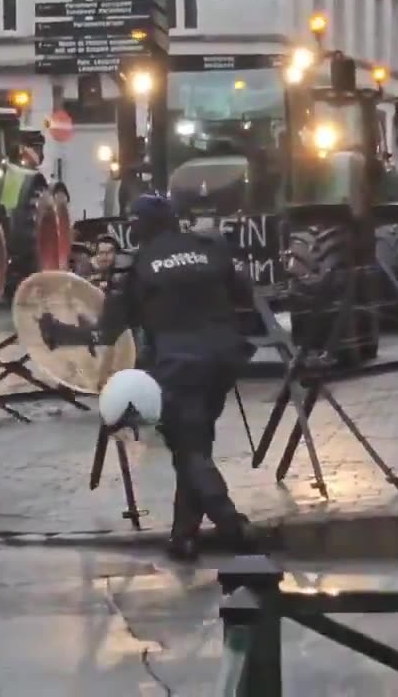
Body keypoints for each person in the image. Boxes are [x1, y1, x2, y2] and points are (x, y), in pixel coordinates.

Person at [99, 194, 257, 562]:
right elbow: (243, 292)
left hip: (178, 367)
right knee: (197, 445)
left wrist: (60, 331)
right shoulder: (208, 247)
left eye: (133, 222)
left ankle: (233, 525)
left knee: (188, 451)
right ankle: (182, 536)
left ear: (144, 226)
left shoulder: (140, 267)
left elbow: (109, 330)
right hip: (223, 359)